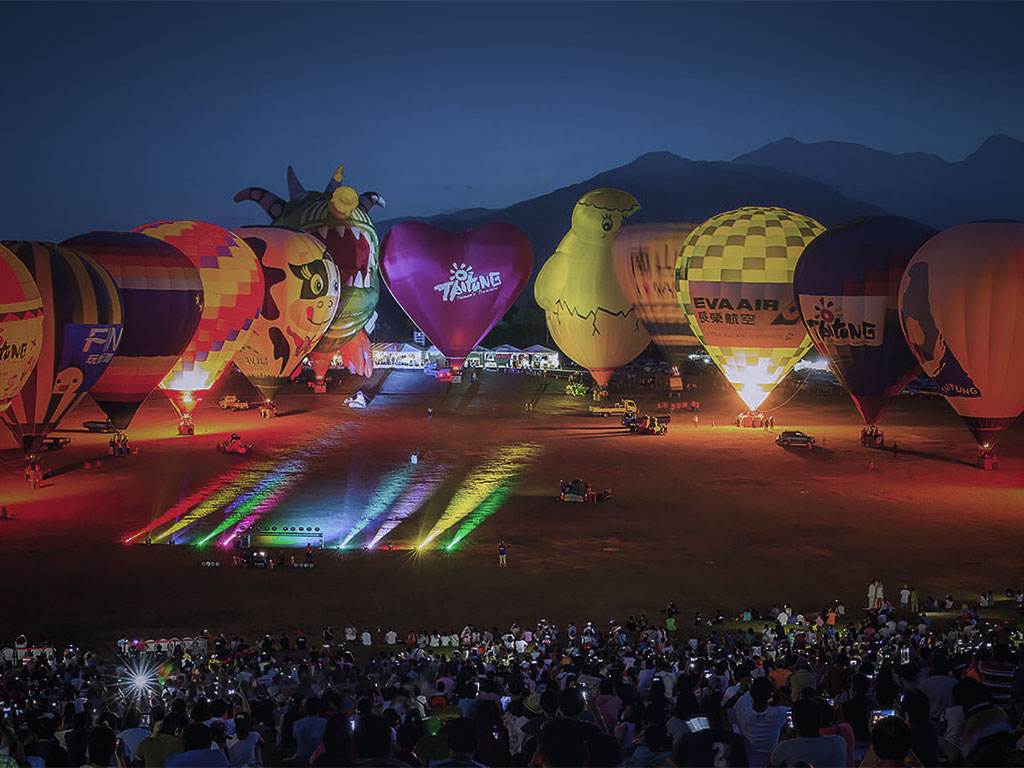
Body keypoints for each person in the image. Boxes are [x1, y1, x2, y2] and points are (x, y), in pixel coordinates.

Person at [767, 698, 846, 767]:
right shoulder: (839, 742)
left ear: (794, 722)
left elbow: (772, 762)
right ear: (821, 718)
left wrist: (786, 738)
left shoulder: (786, 747)